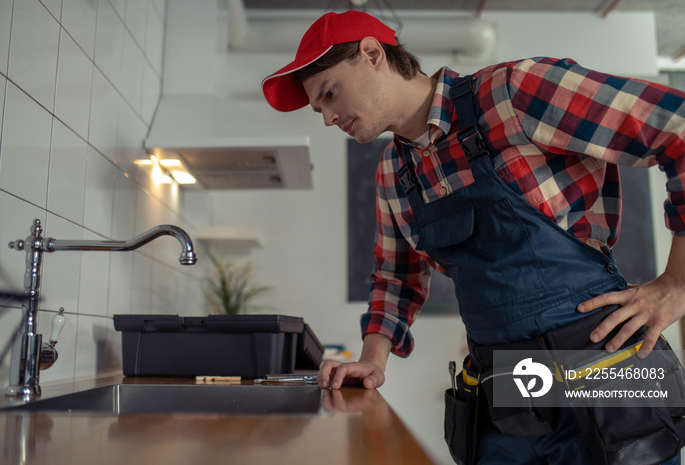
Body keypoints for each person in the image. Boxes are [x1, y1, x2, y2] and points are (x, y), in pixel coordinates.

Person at [262, 10, 685, 465]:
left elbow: (677, 126)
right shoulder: (393, 171)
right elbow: (396, 277)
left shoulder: (514, 93)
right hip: (508, 389)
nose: (327, 118)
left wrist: (677, 284)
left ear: (371, 54)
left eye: (330, 93)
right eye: (319, 108)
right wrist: (373, 358)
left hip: (609, 373)